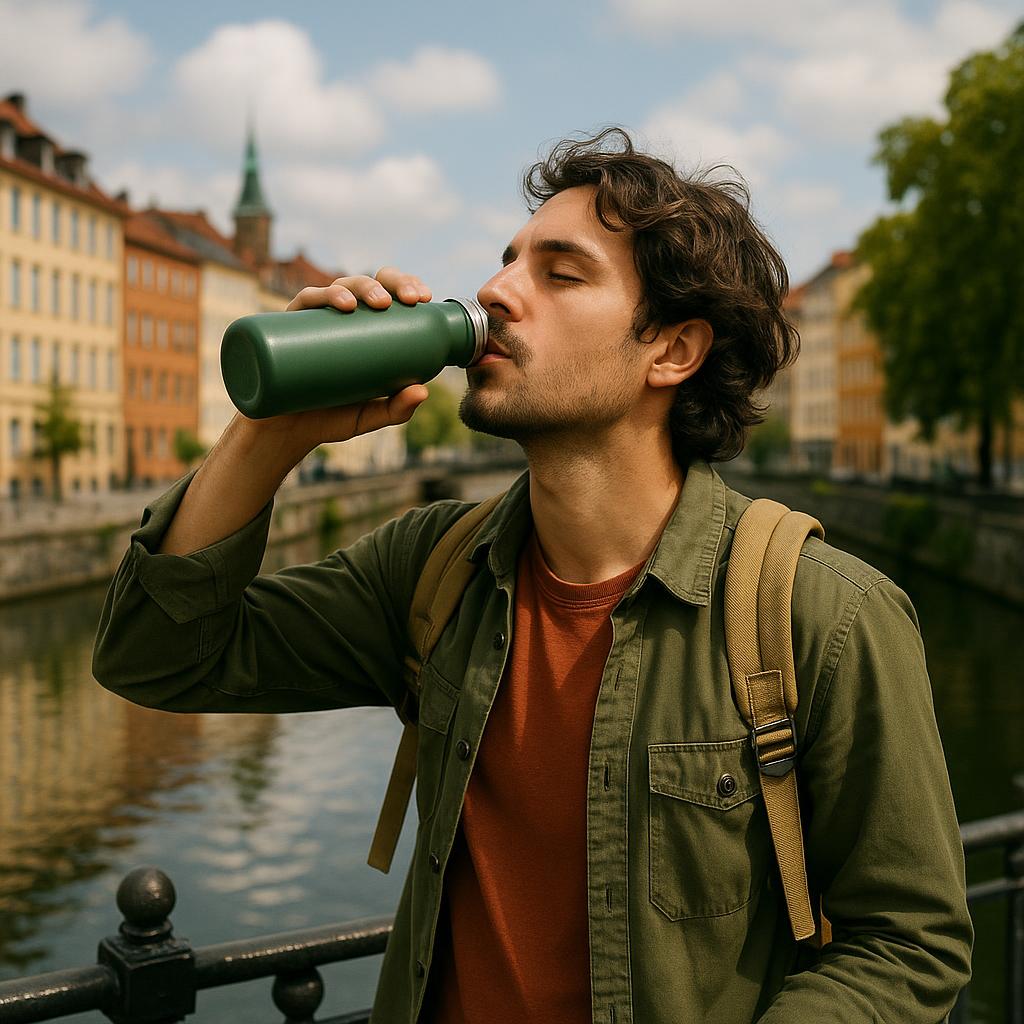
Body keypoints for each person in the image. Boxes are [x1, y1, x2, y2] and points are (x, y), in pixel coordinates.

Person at [93, 127, 972, 1023]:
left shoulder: (821, 614)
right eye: (508, 261)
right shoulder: (434, 571)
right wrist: (270, 432)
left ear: (672, 350)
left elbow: (910, 943)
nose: (496, 291)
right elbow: (156, 657)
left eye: (561, 273)